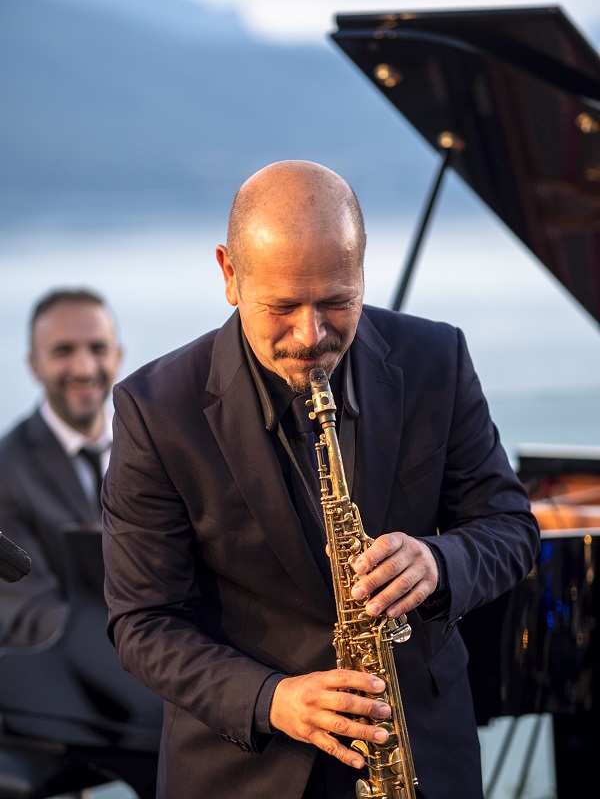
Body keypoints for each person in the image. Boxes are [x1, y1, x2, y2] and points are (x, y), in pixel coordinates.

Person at [102, 160, 540, 799]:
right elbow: (143, 621)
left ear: (362, 269)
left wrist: (440, 563)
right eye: (282, 306)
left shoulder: (437, 361)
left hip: (422, 751)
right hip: (245, 773)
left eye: (337, 302)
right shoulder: (155, 409)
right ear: (229, 274)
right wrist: (272, 699)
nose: (311, 336)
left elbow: (510, 526)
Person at [0, 288, 162, 797]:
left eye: (97, 348)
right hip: (62, 700)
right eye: (63, 351)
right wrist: (150, 648)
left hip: (158, 667)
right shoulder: (6, 468)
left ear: (119, 355)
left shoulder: (154, 448)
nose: (84, 367)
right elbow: (26, 611)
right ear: (33, 365)